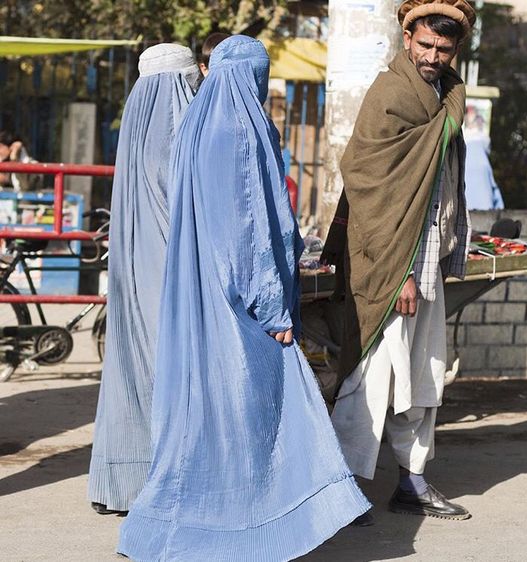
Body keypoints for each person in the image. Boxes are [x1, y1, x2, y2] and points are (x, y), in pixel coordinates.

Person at [118, 35, 370, 561]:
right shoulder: (240, 132)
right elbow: (252, 230)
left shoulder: (194, 127)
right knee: (259, 411)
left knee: (202, 416)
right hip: (239, 306)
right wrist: (274, 307)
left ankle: (173, 525)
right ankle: (256, 526)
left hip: (198, 297)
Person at [326, 0, 475, 522]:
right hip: (391, 260)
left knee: (426, 374)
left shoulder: (446, 93)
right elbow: (368, 182)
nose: (432, 55)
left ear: (456, 50)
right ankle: (337, 488)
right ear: (407, 38)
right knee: (374, 377)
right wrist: (402, 274)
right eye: (425, 44)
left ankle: (412, 482)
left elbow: (436, 179)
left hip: (428, 254)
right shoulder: (389, 92)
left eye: (443, 48)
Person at [88, 44, 202, 515]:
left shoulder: (135, 130)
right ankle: (165, 483)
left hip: (131, 271)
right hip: (170, 277)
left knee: (130, 370)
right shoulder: (181, 129)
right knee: (170, 371)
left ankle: (122, 481)